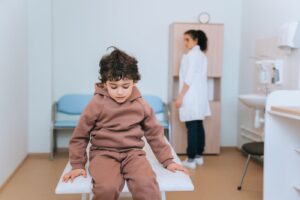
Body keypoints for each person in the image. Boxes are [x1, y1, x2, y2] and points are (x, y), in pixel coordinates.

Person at [62, 47, 189, 200]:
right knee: (107, 188)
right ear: (104, 83)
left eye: (126, 86)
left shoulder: (140, 104)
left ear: (134, 82)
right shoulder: (96, 103)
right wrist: (77, 165)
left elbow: (155, 134)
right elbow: (80, 136)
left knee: (147, 185)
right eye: (113, 86)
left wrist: (168, 161)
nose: (120, 92)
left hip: (133, 154)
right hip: (103, 154)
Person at [175, 30, 211, 169]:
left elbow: (188, 78)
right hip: (199, 95)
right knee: (198, 125)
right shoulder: (202, 55)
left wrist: (180, 96)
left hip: (190, 95)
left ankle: (190, 159)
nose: (185, 43)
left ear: (195, 40)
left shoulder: (192, 55)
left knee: (192, 127)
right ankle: (198, 156)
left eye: (187, 39)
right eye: (184, 40)